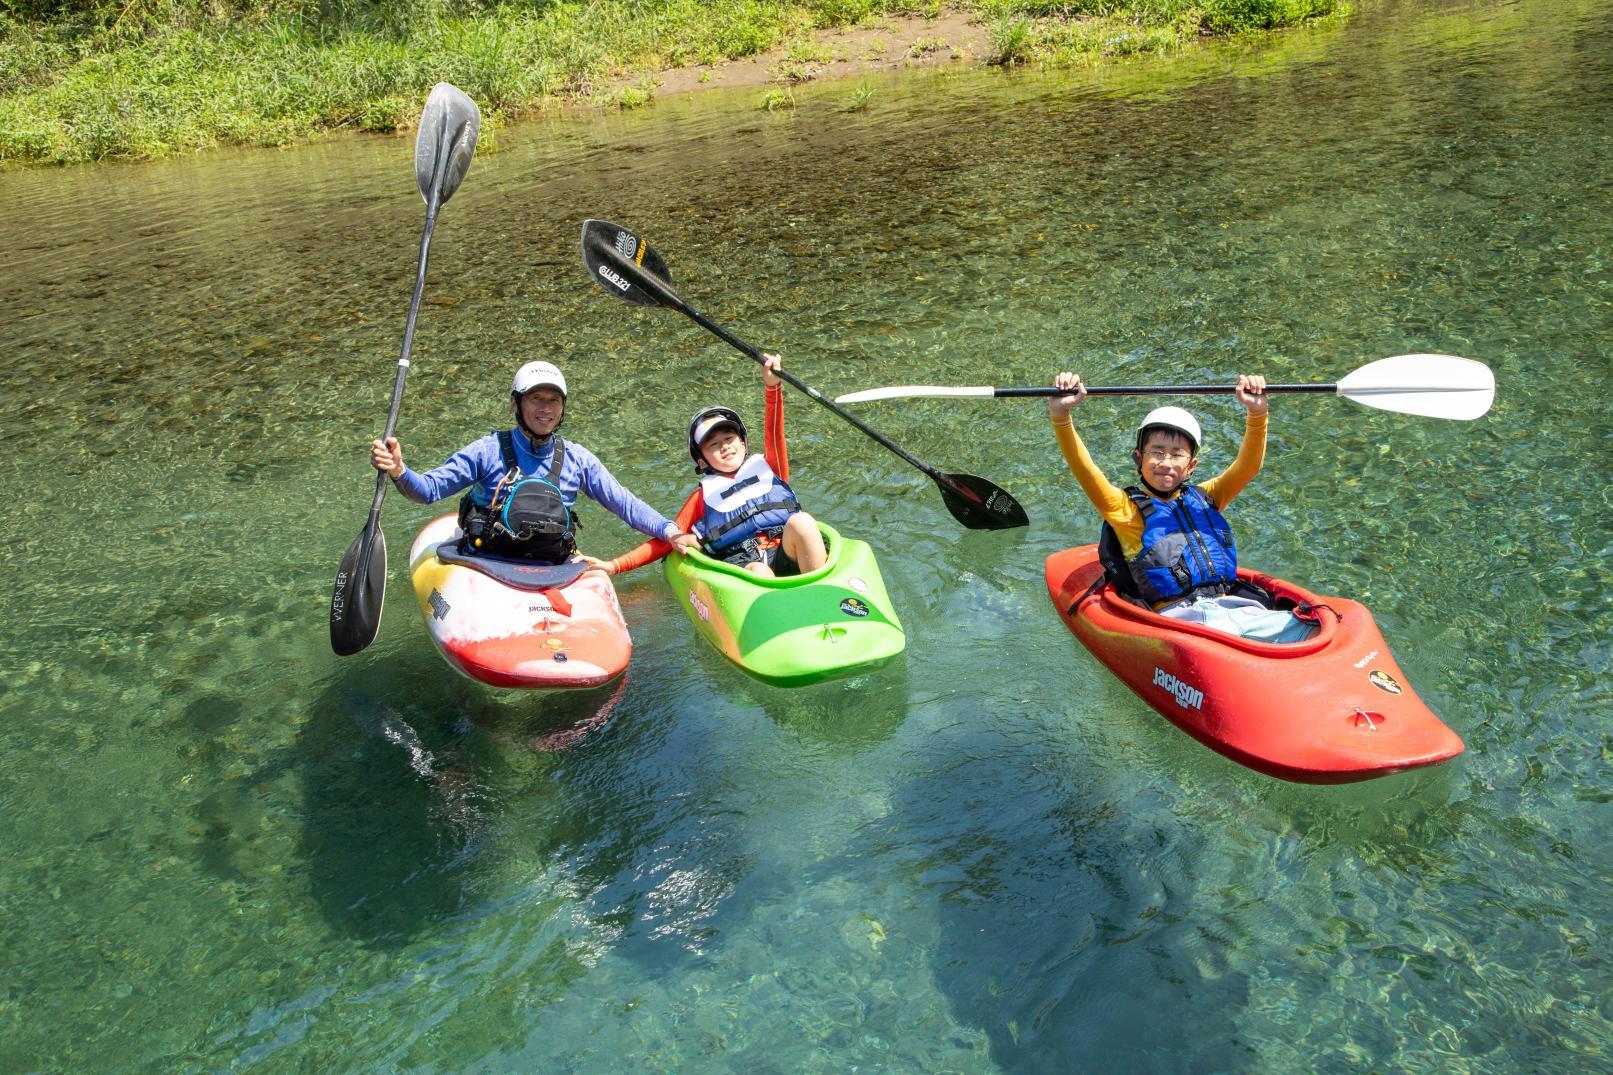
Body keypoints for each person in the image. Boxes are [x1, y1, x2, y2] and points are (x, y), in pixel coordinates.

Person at [1048, 370, 1316, 643]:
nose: (1166, 462)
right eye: (1157, 452)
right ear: (1138, 458)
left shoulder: (1207, 497)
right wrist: (1061, 417)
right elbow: (1084, 468)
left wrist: (1257, 413)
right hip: (1181, 622)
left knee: (1312, 628)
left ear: (1191, 466)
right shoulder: (1123, 509)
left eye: (1177, 455)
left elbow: (1248, 466)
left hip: (1234, 609)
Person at [369, 360, 698, 563]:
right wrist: (399, 470)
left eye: (553, 400)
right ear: (515, 403)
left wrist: (670, 531)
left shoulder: (577, 459)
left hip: (549, 564)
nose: (546, 409)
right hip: (487, 560)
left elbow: (623, 502)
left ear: (563, 407)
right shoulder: (486, 451)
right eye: (536, 399)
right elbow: (427, 491)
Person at [587, 354, 827, 579]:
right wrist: (614, 565)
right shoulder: (701, 499)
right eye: (713, 444)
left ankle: (825, 596)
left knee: (803, 521)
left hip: (788, 551)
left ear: (743, 442)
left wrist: (773, 386)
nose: (725, 447)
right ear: (702, 461)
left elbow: (774, 432)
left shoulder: (770, 468)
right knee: (760, 571)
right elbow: (667, 539)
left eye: (729, 439)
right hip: (747, 566)